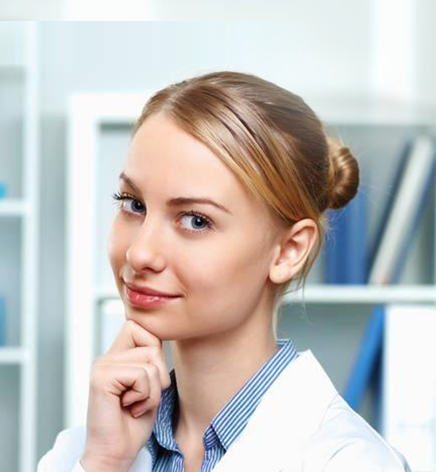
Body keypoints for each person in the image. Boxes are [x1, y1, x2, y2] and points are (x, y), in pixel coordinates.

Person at [38, 72, 409, 472]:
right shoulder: (85, 452)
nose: (139, 252)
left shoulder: (351, 461)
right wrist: (105, 463)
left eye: (195, 220)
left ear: (289, 251)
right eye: (133, 204)